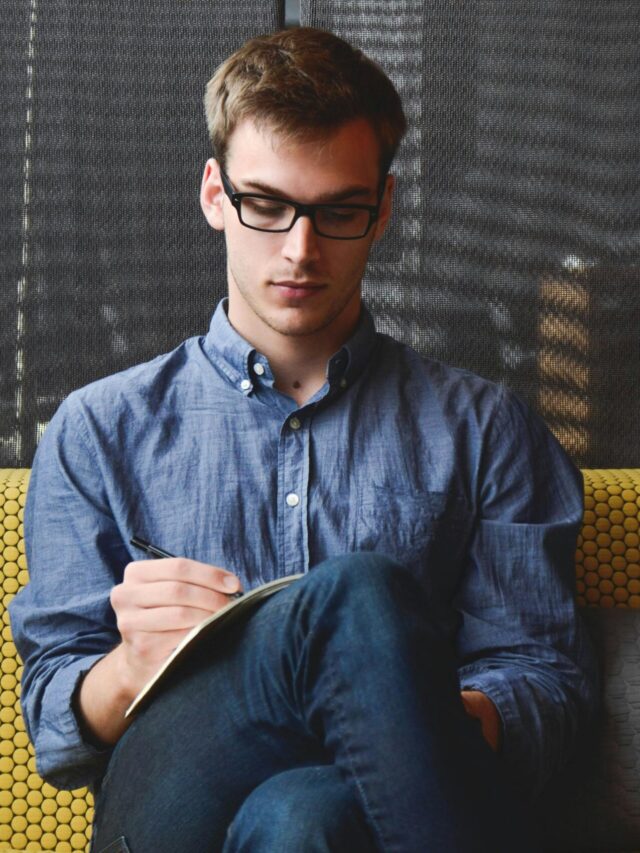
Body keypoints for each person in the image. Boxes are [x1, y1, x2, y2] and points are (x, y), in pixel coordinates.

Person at [10, 27, 597, 853]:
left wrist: (395, 708)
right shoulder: (99, 427)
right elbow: (54, 722)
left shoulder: (487, 428)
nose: (300, 248)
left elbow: (547, 689)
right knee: (355, 599)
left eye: (338, 212)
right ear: (215, 194)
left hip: (357, 813)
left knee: (305, 816)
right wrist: (128, 667)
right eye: (267, 204)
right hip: (168, 809)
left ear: (384, 209)